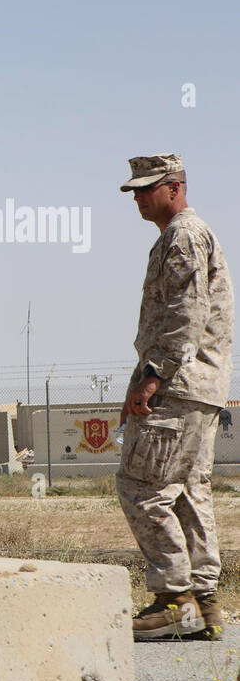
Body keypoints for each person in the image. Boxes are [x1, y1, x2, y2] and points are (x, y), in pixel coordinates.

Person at [116, 153, 233, 641]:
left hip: (179, 384)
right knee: (187, 491)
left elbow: (185, 314)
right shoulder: (185, 234)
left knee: (141, 487)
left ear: (175, 187)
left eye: (148, 188)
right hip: (199, 385)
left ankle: (173, 600)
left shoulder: (183, 235)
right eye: (135, 190)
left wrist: (153, 377)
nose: (140, 198)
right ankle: (203, 603)